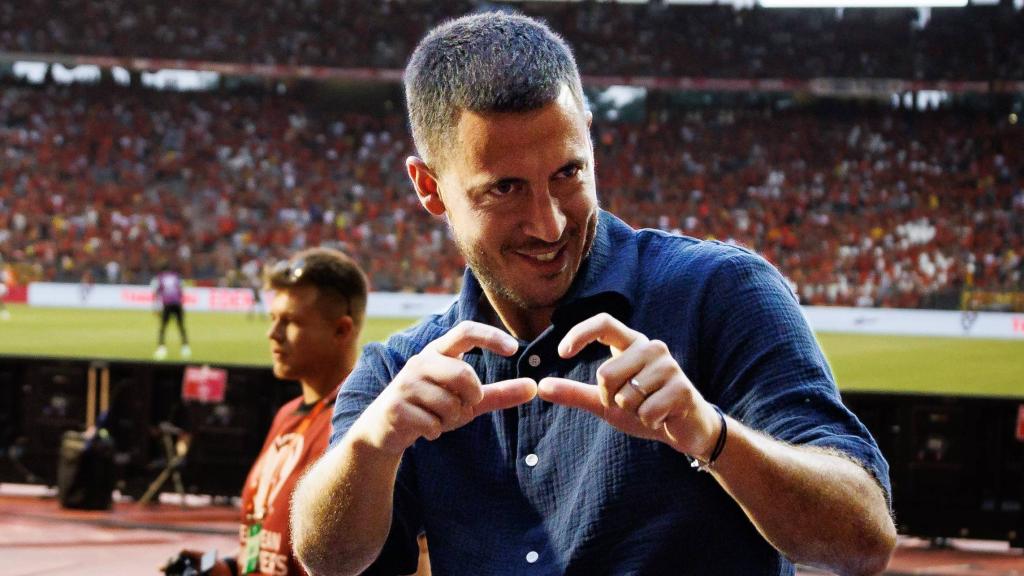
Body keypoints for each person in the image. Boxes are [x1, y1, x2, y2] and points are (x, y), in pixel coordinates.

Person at [292, 12, 896, 576]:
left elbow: (864, 537)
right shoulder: (403, 369)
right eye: (504, 189)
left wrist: (710, 436)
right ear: (429, 187)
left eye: (567, 173)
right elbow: (328, 559)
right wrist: (373, 445)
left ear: (590, 137)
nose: (549, 223)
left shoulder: (719, 292)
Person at [173, 247, 369, 576]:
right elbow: (262, 538)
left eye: (290, 321)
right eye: (273, 318)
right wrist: (224, 569)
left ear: (342, 331)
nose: (273, 334)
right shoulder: (288, 415)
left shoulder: (363, 428)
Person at [153, 262, 191, 360]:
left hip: (167, 304)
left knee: (163, 327)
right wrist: (181, 304)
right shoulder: (176, 276)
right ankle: (185, 347)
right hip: (177, 304)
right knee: (181, 326)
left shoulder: (160, 277)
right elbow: (181, 290)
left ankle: (161, 348)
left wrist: (156, 307)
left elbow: (157, 292)